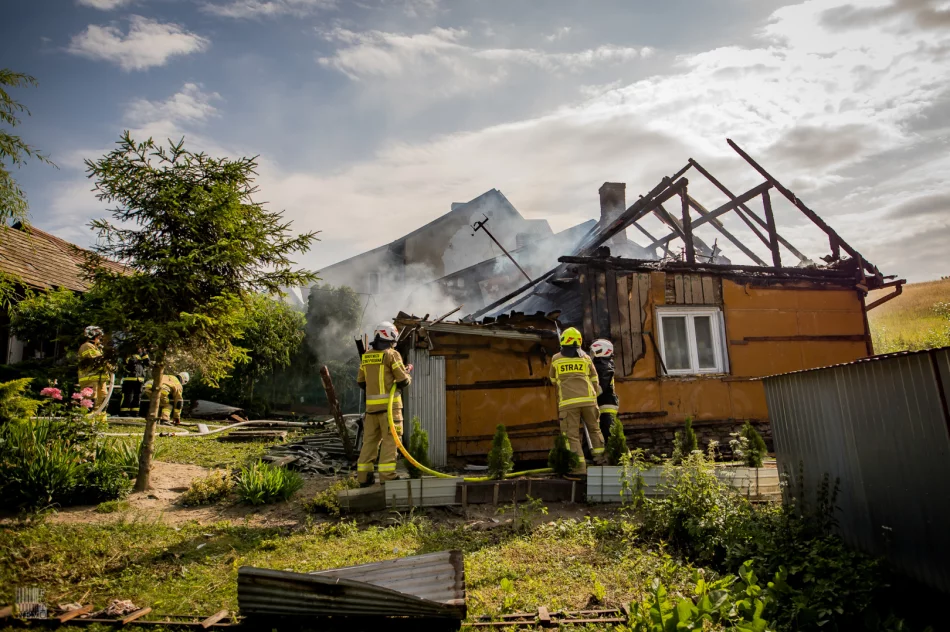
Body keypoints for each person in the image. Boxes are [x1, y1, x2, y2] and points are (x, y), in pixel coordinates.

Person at [356, 322, 412, 487]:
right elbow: (402, 381)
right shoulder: (392, 355)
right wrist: (407, 374)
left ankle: (364, 478)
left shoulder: (366, 356)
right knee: (390, 442)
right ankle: (387, 477)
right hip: (390, 410)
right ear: (390, 336)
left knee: (370, 443)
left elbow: (361, 382)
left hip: (371, 410)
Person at [549, 327, 605, 475]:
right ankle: (601, 461)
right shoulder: (586, 358)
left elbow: (553, 380)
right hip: (589, 401)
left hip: (568, 403)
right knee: (595, 430)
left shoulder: (556, 359)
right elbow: (594, 379)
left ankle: (578, 468)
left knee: (571, 436)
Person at [590, 339, 620, 442]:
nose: (592, 354)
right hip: (603, 403)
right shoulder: (603, 363)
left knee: (609, 434)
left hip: (606, 405)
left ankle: (620, 456)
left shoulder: (604, 366)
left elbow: (600, 388)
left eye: (594, 351)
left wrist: (587, 396)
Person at [78, 325, 112, 410]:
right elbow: (97, 360)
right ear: (94, 336)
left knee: (103, 402)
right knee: (90, 403)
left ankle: (101, 421)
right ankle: (87, 421)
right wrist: (110, 366)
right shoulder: (87, 346)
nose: (100, 339)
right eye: (99, 337)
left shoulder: (97, 348)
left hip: (100, 380)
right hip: (90, 380)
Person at [120, 348, 150, 417]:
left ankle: (135, 413)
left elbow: (147, 363)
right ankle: (124, 412)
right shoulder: (128, 354)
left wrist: (144, 353)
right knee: (128, 396)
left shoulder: (142, 354)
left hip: (139, 379)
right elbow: (128, 364)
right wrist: (137, 358)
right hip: (129, 379)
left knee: (137, 397)